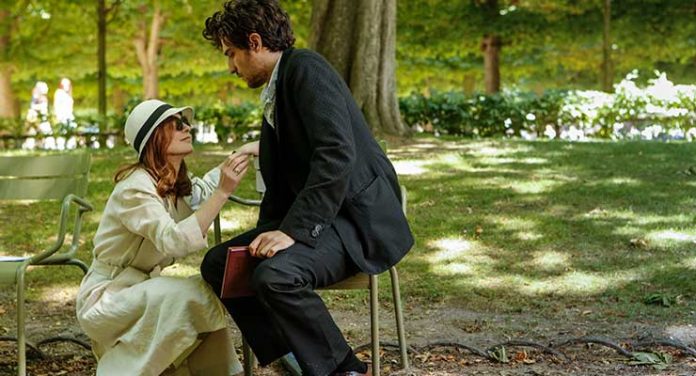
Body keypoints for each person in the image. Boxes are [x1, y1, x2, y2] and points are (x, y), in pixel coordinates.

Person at [200, 1, 414, 375]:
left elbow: (336, 155)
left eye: (231, 54)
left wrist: (291, 233)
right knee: (220, 264)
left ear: (254, 42)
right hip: (324, 218)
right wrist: (272, 229)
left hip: (355, 224)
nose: (230, 67)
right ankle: (296, 359)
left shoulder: (306, 70)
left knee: (275, 276)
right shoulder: (281, 84)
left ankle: (344, 369)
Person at [76, 99, 249, 376]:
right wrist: (224, 193)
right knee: (190, 294)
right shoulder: (134, 188)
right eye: (176, 124)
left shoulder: (171, 181)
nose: (187, 127)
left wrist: (245, 151)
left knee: (203, 295)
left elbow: (203, 191)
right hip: (107, 298)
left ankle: (216, 372)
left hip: (140, 290)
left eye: (186, 122)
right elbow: (174, 240)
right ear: (154, 137)